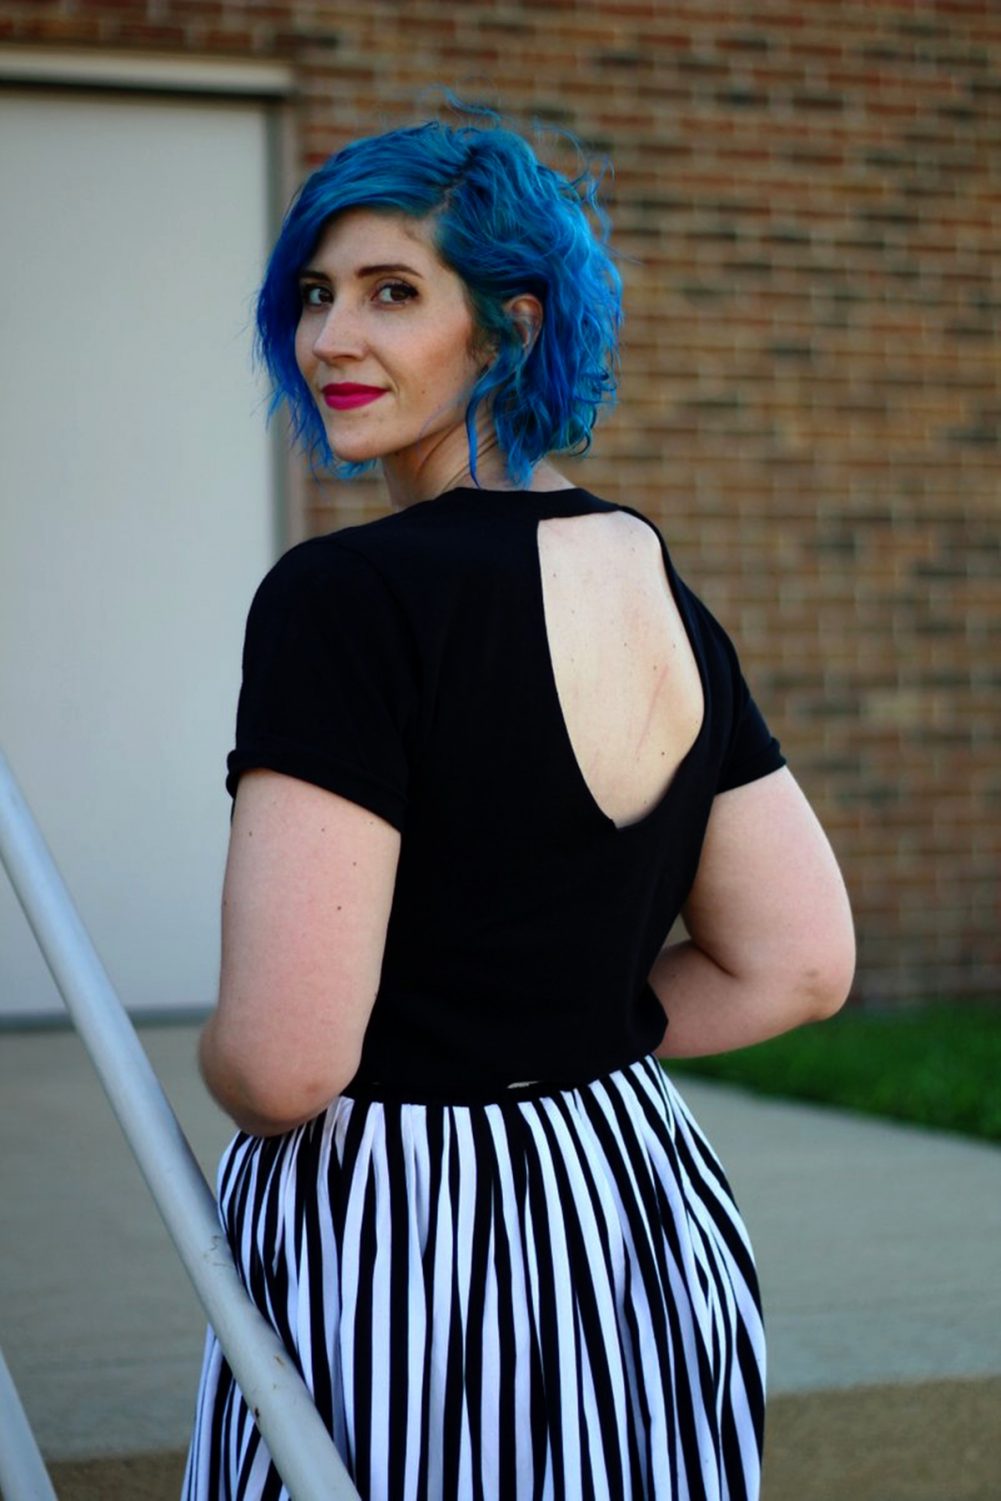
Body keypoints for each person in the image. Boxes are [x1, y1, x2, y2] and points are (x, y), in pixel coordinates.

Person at [183, 108, 855, 1501]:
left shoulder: (344, 598)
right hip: (630, 1209)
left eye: (390, 293)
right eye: (313, 295)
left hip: (414, 1251)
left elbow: (285, 1062)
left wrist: (238, 1055)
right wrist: (566, 1021)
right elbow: (797, 960)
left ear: (506, 325)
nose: (329, 341)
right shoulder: (647, 575)